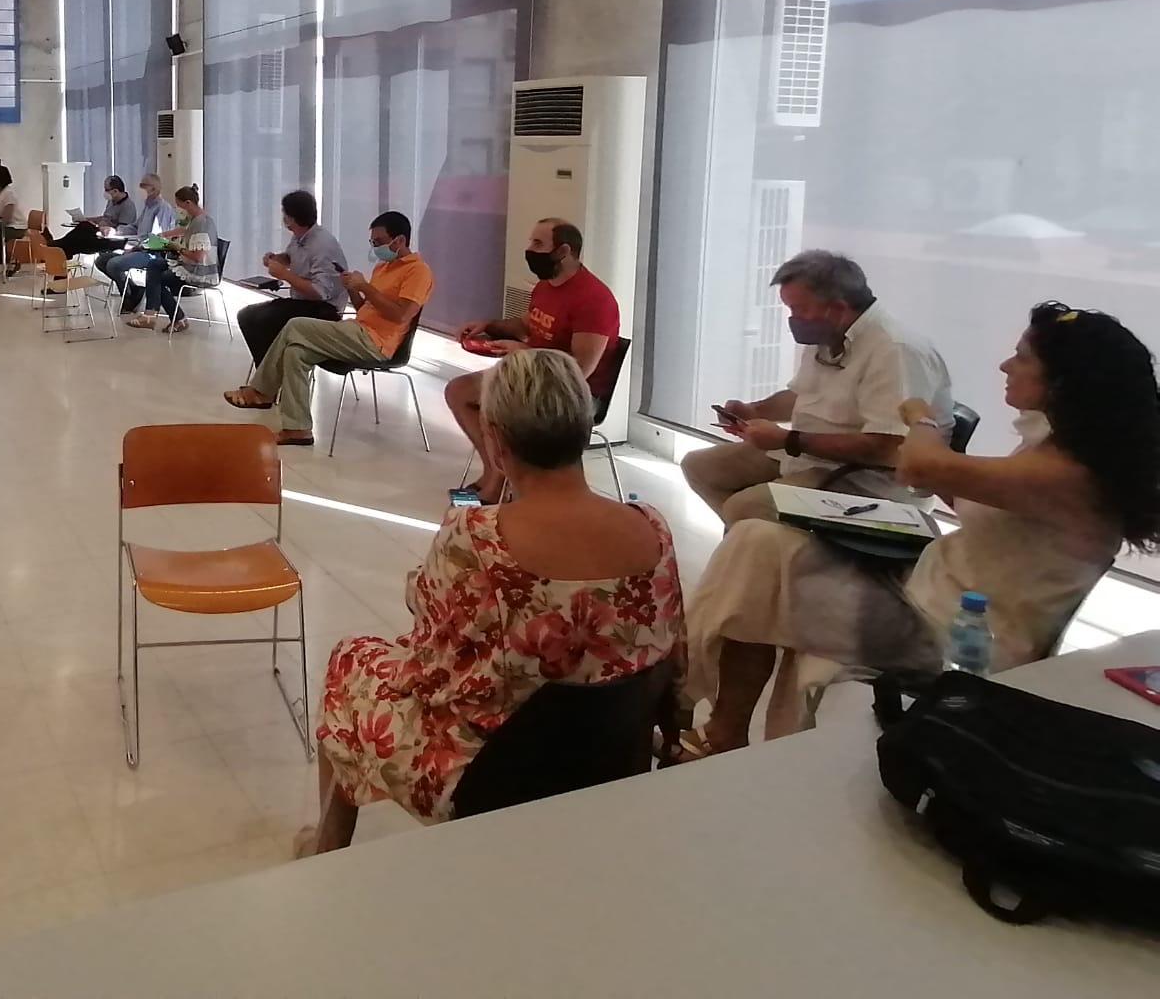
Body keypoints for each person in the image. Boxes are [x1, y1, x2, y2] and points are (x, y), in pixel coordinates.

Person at [683, 302, 1160, 751]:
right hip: (930, 588)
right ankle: (723, 722)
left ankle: (698, 705)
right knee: (760, 551)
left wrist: (922, 418)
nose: (1004, 366)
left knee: (757, 553)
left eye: (1021, 357)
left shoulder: (1066, 474)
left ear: (1062, 381)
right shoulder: (1053, 451)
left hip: (955, 637)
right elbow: (974, 496)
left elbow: (918, 466)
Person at [302, 349, 686, 853]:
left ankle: (329, 843)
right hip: (614, 752)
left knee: (352, 658)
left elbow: (433, 673)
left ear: (497, 442)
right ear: (583, 427)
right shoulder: (651, 526)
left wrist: (422, 591)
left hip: (495, 775)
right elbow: (674, 657)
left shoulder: (476, 537)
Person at [682, 250, 952, 525]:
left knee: (745, 507)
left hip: (866, 479)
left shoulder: (895, 350)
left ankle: (789, 549)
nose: (792, 319)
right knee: (699, 467)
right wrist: (752, 410)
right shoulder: (828, 333)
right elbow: (802, 395)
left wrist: (788, 440)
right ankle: (765, 543)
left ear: (836, 308)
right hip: (813, 455)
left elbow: (887, 448)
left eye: (799, 310)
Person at [445, 220, 622, 502]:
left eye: (538, 244)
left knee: (495, 408)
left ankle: (499, 483)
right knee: (458, 390)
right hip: (530, 375)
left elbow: (580, 369)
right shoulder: (545, 287)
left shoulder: (594, 299)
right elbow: (525, 326)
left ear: (563, 251)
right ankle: (496, 468)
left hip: (569, 392)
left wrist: (523, 353)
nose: (529, 250)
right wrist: (487, 325)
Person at [224, 212, 435, 447]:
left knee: (295, 325)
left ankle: (261, 391)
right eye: (372, 242)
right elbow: (366, 309)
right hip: (357, 330)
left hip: (378, 343)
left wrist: (365, 286)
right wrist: (354, 289)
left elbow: (401, 315)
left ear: (400, 241)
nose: (375, 247)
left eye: (379, 242)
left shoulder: (418, 271)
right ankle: (298, 429)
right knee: (296, 353)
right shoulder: (383, 267)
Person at [239, 190, 348, 366]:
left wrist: (285, 275)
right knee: (246, 315)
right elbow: (292, 257)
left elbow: (320, 292)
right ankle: (268, 373)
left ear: (294, 219)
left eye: (286, 215)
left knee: (264, 320)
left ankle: (272, 375)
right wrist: (277, 259)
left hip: (324, 309)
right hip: (302, 302)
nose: (284, 219)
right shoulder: (300, 236)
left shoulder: (322, 245)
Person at [125, 185, 219, 332]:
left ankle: (158, 316)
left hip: (197, 270)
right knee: (154, 266)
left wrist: (175, 246)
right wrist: (164, 236)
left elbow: (198, 257)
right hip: (186, 262)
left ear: (188, 203)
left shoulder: (202, 224)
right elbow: (184, 230)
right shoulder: (196, 219)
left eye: (179, 206)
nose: (178, 210)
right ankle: (166, 317)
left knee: (156, 280)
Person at [95, 173, 174, 300]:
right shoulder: (147, 207)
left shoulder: (162, 208)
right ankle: (133, 290)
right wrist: (114, 231)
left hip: (151, 253)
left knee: (114, 265)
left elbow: (157, 239)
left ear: (153, 189)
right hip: (138, 248)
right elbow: (135, 227)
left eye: (143, 186)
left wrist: (136, 248)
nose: (140, 188)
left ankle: (129, 297)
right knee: (101, 260)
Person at [51, 175, 140, 256]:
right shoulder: (111, 201)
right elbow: (105, 218)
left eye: (106, 190)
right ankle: (60, 246)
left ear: (115, 191)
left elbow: (123, 230)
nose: (105, 192)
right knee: (84, 226)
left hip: (112, 237)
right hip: (101, 231)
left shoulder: (128, 206)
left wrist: (107, 227)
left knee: (81, 240)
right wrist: (86, 219)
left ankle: (60, 249)